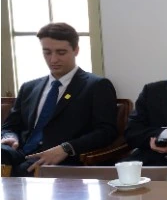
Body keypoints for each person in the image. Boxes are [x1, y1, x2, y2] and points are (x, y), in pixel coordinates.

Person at [1, 22, 117, 177]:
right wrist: (10, 137)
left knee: (23, 171)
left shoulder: (96, 86)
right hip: (18, 153)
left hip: (59, 159)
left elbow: (106, 132)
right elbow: (10, 126)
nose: (53, 59)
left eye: (61, 52)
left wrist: (66, 148)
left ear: (76, 50)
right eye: (47, 52)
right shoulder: (29, 87)